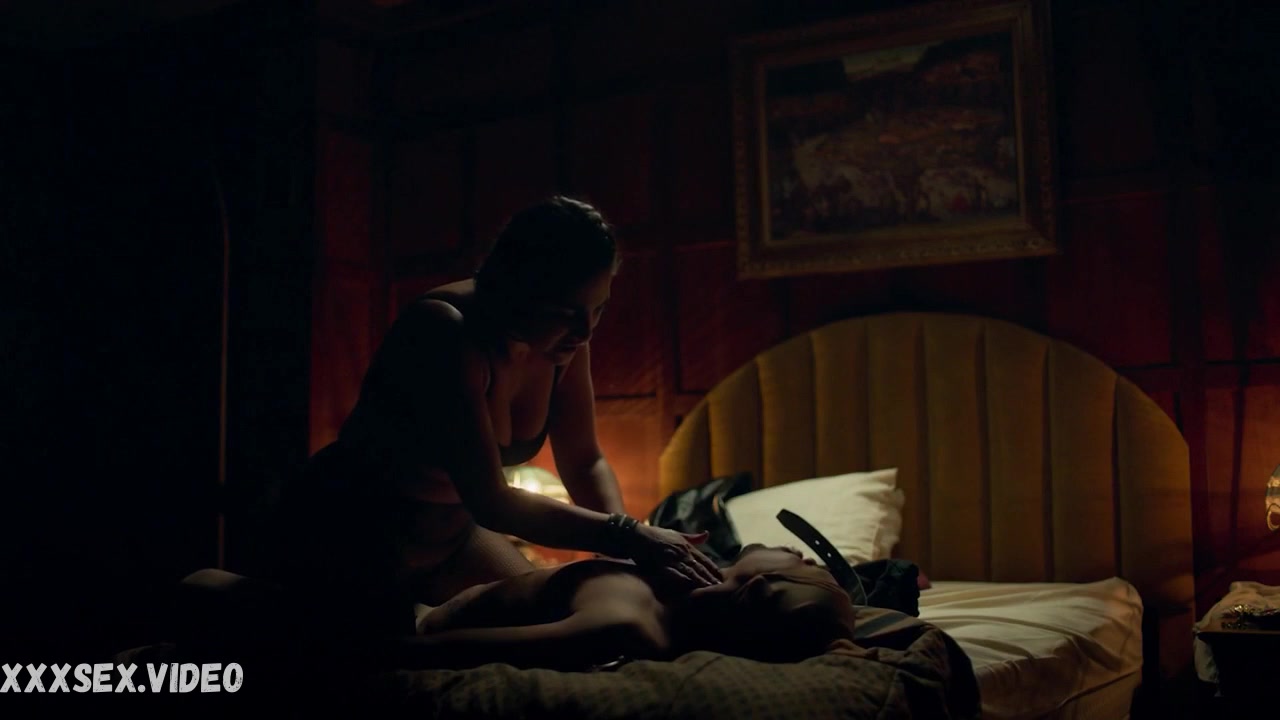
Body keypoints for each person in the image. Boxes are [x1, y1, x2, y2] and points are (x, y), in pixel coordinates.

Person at [270, 196, 721, 638]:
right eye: (566, 312)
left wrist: (625, 554)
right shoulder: (444, 330)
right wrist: (627, 535)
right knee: (373, 651)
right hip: (355, 527)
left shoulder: (563, 345)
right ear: (518, 288)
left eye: (598, 309)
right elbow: (491, 499)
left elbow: (584, 460)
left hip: (454, 538)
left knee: (559, 618)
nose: (585, 331)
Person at [390, 544, 858, 672]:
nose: (801, 554)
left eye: (805, 565)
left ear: (757, 588)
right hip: (442, 590)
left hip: (420, 617)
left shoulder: (625, 622)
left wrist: (390, 649)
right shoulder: (671, 586)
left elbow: (459, 649)